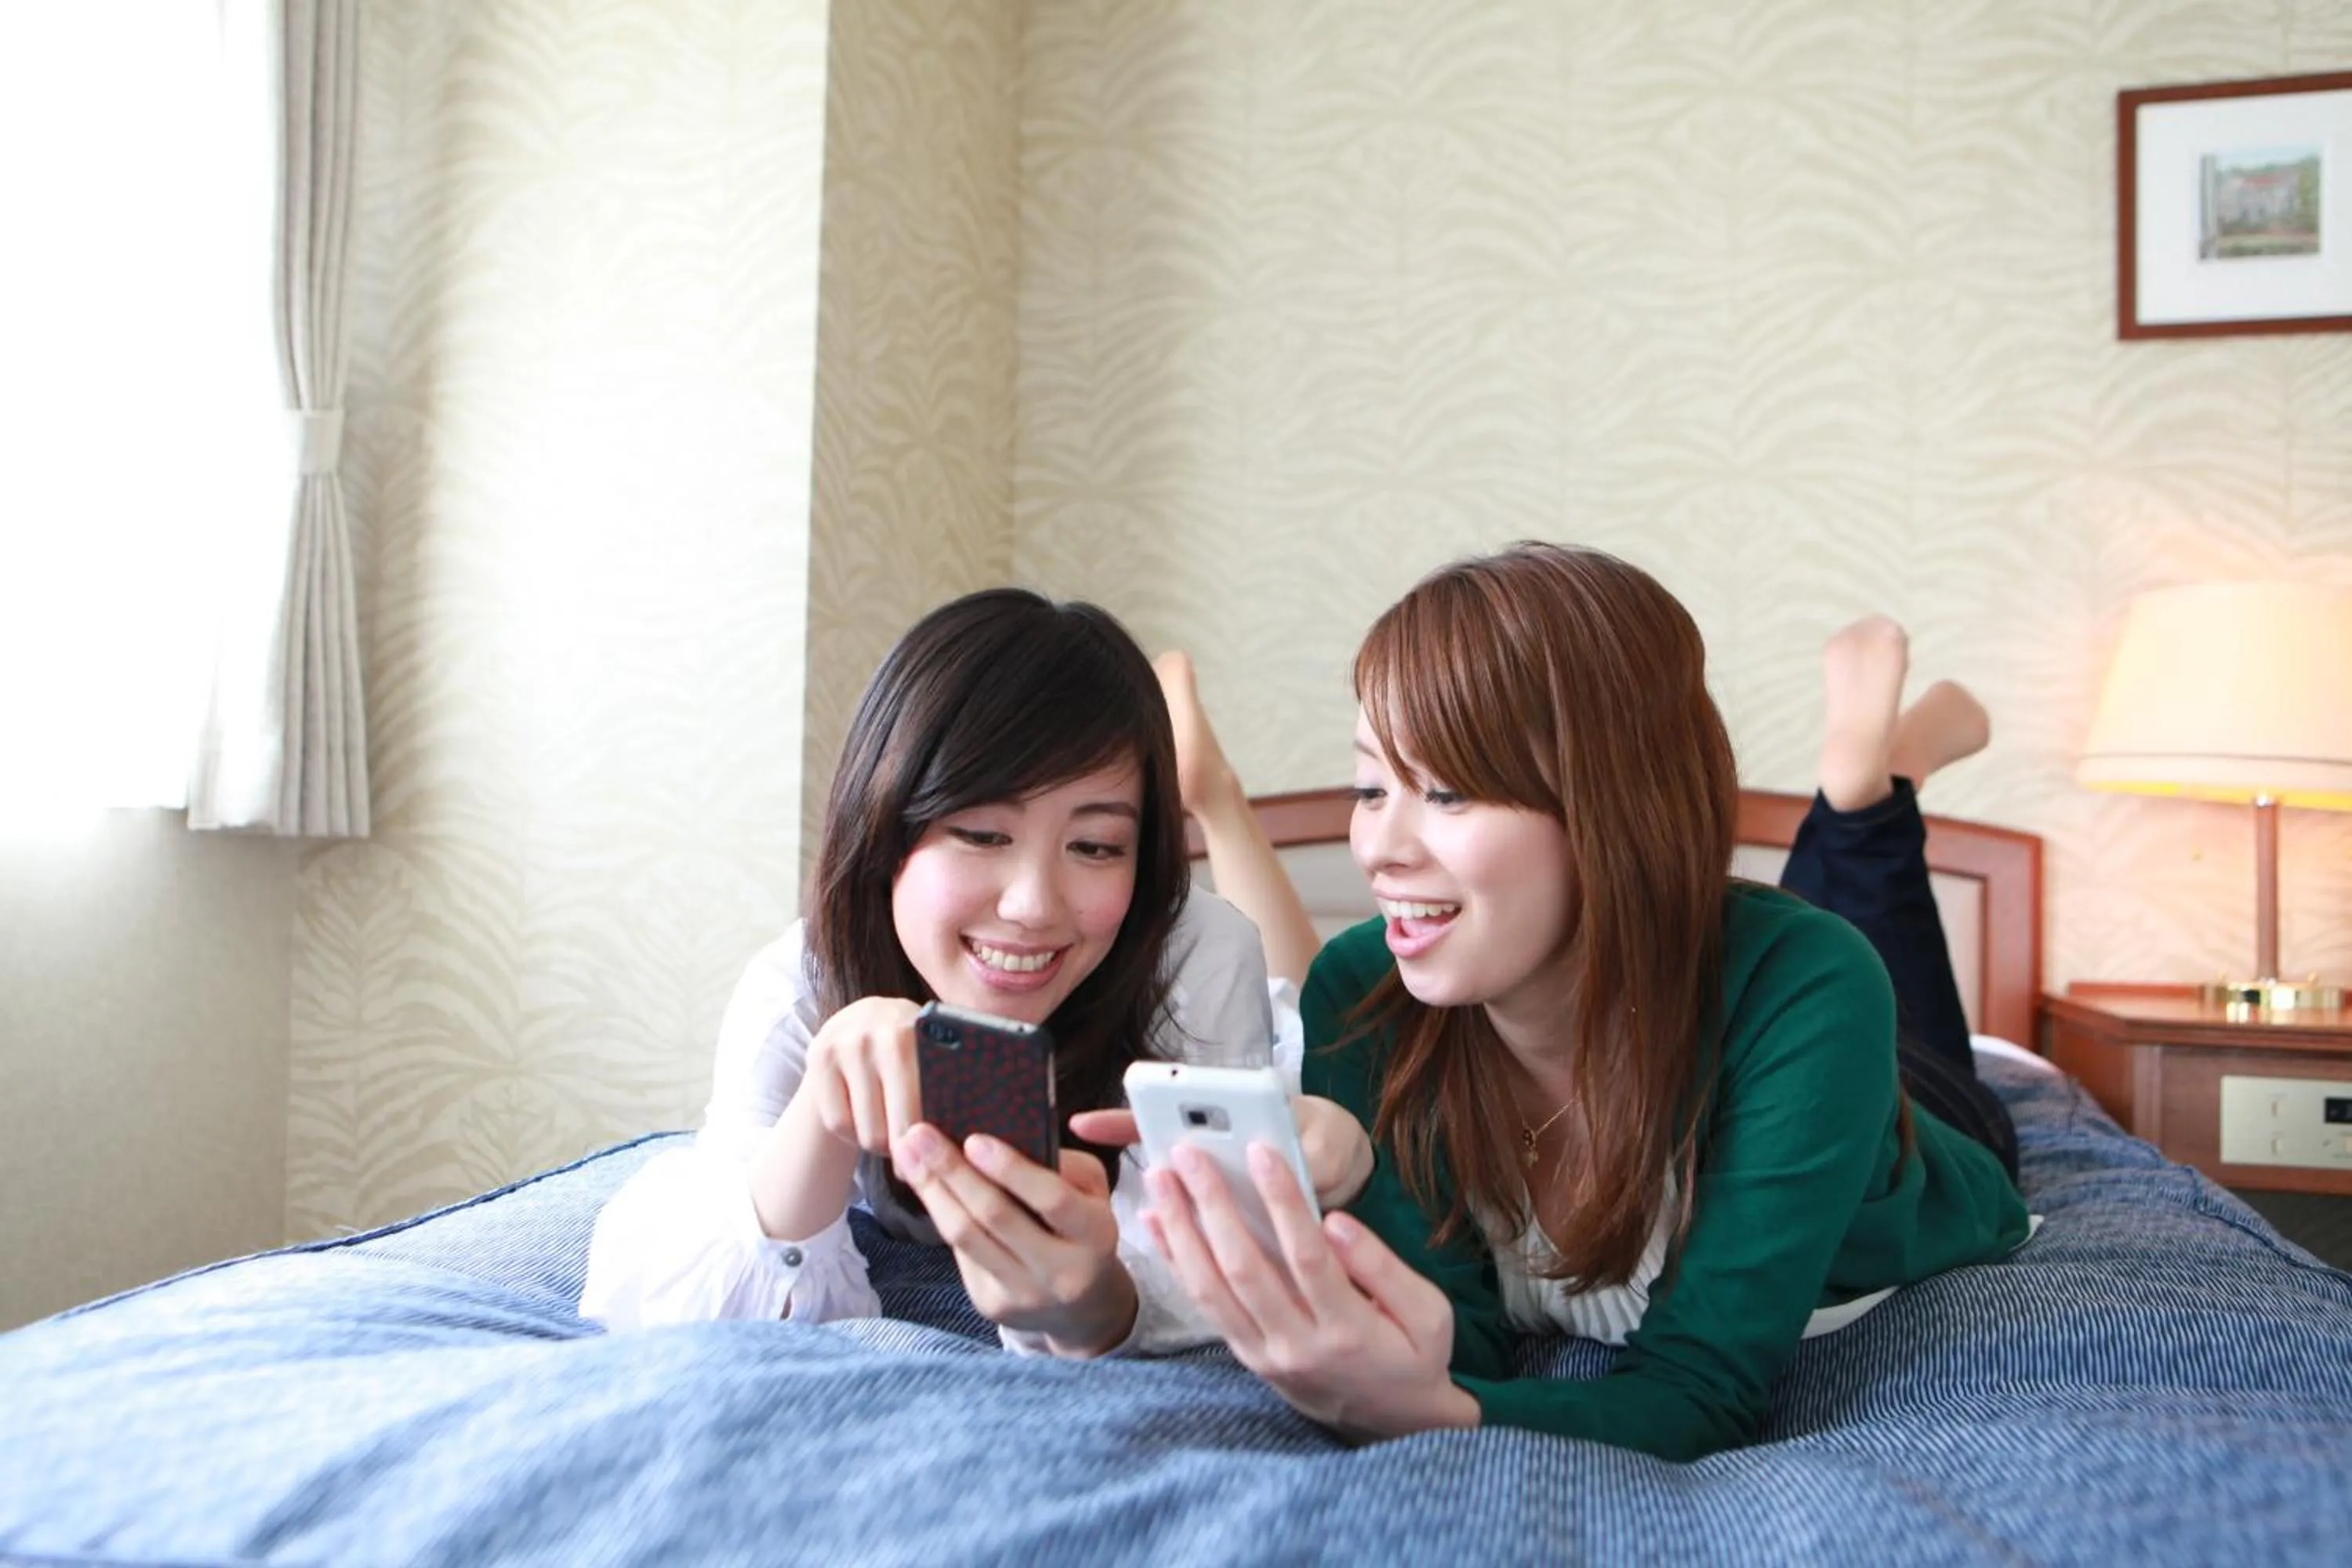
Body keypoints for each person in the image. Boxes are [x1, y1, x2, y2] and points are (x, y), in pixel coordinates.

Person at [1138, 543, 2032, 1458]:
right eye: (1371, 787)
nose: (1378, 848)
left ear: (1616, 804)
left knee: (1848, 957)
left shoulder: (1814, 989)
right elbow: (1454, 1339)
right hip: (1733, 985)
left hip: (1914, 1110)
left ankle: (1877, 788)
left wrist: (1433, 1414)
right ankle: (1871, 784)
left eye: (1447, 791)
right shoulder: (1364, 990)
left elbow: (1700, 1389)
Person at [580, 587, 1367, 1358]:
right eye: (983, 834)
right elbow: (713, 1310)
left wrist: (1095, 1309)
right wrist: (826, 1105)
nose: (1032, 905)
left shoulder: (1192, 955)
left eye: (1095, 846)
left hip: (1228, 1016)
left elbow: (1216, 1264)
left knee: (1308, 1012)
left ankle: (1213, 795)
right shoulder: (800, 986)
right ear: (884, 826)